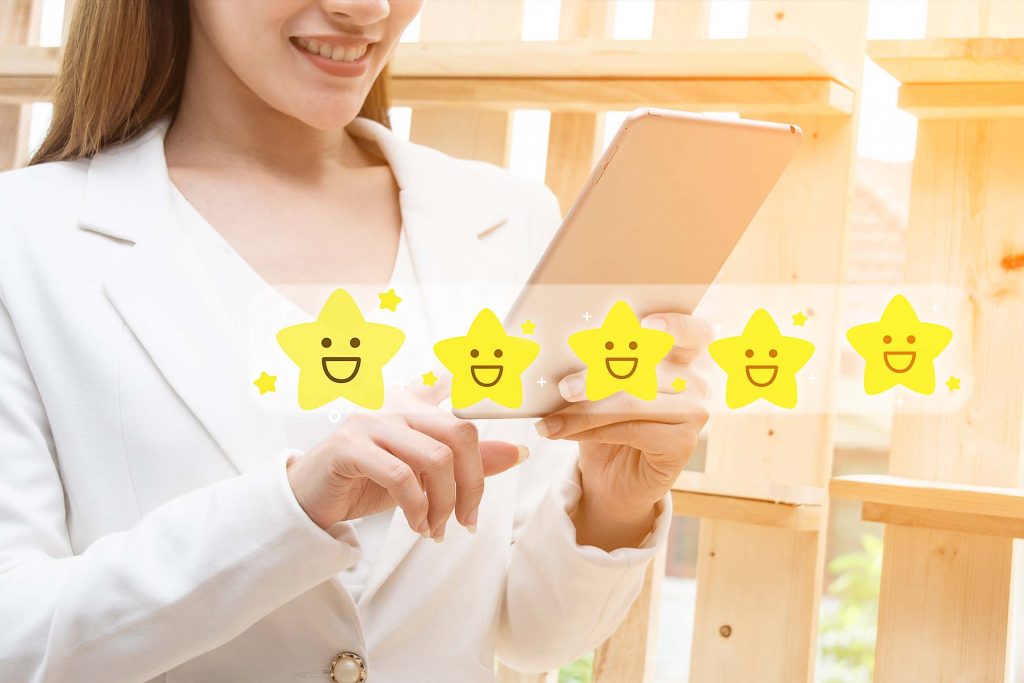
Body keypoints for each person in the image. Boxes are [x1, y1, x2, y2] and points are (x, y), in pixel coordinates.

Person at [0, 1, 711, 681]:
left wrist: (611, 502)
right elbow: (16, 641)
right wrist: (292, 509)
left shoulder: (508, 219)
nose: (366, 7)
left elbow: (535, 633)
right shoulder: (26, 239)